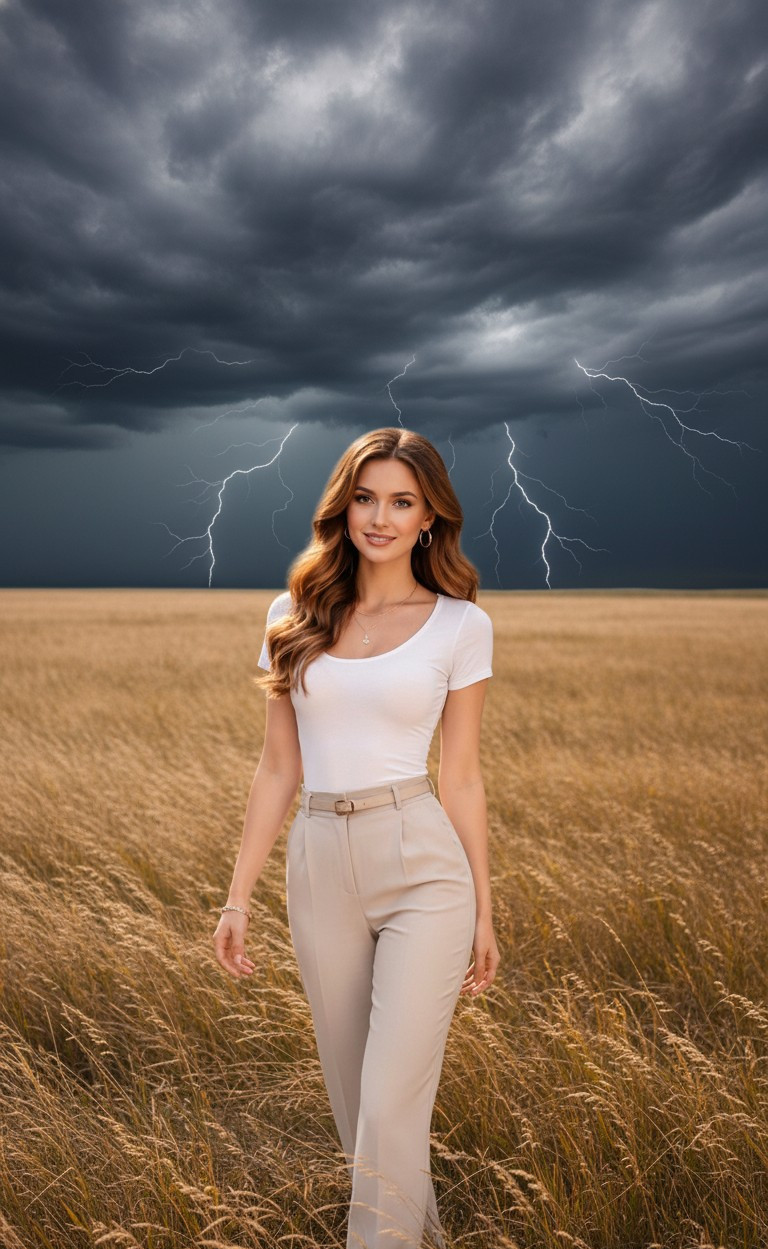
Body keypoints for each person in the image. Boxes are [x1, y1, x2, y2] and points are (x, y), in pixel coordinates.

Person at [213, 426, 501, 1249]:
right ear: (343, 507)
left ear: (429, 518)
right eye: (365, 498)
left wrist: (485, 909)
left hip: (423, 865)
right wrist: (237, 896)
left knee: (389, 1101)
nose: (380, 517)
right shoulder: (290, 614)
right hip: (319, 863)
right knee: (357, 1107)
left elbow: (462, 776)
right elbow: (278, 766)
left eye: (402, 502)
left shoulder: (460, 625)